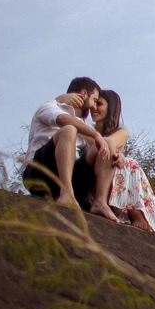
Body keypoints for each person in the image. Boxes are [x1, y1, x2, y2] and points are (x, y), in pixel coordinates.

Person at [22, 77, 121, 220]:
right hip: (41, 171)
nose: (94, 107)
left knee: (108, 142)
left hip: (72, 174)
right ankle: (66, 194)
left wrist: (116, 154)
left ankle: (100, 202)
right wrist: (95, 135)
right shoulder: (51, 105)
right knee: (69, 130)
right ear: (83, 94)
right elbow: (62, 119)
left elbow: (98, 144)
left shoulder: (85, 123)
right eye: (94, 100)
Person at [91, 89, 155, 234]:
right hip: (92, 176)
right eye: (93, 103)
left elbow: (106, 145)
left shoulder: (122, 132)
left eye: (99, 104)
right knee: (125, 162)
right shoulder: (88, 129)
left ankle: (135, 212)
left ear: (110, 108)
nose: (93, 108)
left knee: (128, 163)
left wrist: (119, 157)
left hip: (111, 176)